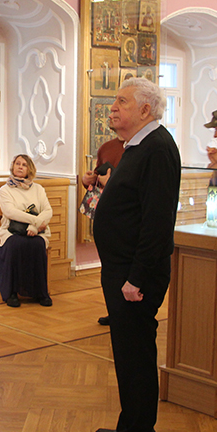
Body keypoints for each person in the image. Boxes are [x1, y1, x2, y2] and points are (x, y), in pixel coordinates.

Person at [91, 77, 181, 432]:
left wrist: (137, 277)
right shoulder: (139, 145)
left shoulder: (157, 148)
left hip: (135, 275)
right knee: (127, 356)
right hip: (122, 269)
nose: (113, 108)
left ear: (145, 110)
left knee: (137, 358)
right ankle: (130, 427)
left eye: (122, 102)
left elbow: (157, 222)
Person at [0, 153, 53, 308]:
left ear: (30, 169)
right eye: (17, 164)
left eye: (24, 165)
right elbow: (10, 212)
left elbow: (48, 211)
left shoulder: (38, 189)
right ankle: (12, 293)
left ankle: (41, 293)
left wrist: (35, 227)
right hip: (12, 231)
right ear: (12, 167)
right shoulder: (5, 190)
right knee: (15, 245)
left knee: (37, 245)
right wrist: (35, 221)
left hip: (37, 231)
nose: (20, 167)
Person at [82, 136, 125, 326]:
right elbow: (98, 179)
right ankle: (114, 311)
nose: (112, 121)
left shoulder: (141, 147)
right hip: (106, 215)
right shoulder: (106, 147)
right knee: (109, 269)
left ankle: (125, 313)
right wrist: (88, 180)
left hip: (126, 218)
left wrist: (111, 183)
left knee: (124, 269)